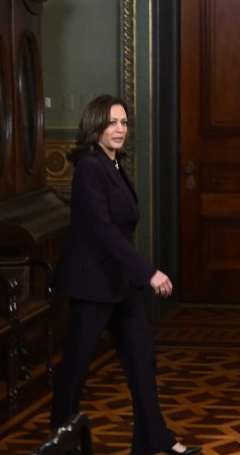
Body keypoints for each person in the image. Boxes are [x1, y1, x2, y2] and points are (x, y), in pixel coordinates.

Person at [50, 95, 201, 455]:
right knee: (75, 368)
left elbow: (119, 231)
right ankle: (58, 443)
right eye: (112, 122)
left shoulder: (112, 165)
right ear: (95, 126)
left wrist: (136, 273)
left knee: (141, 358)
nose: (120, 129)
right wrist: (148, 272)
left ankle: (155, 438)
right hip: (93, 283)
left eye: (124, 123)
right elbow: (103, 231)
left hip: (119, 282)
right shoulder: (89, 167)